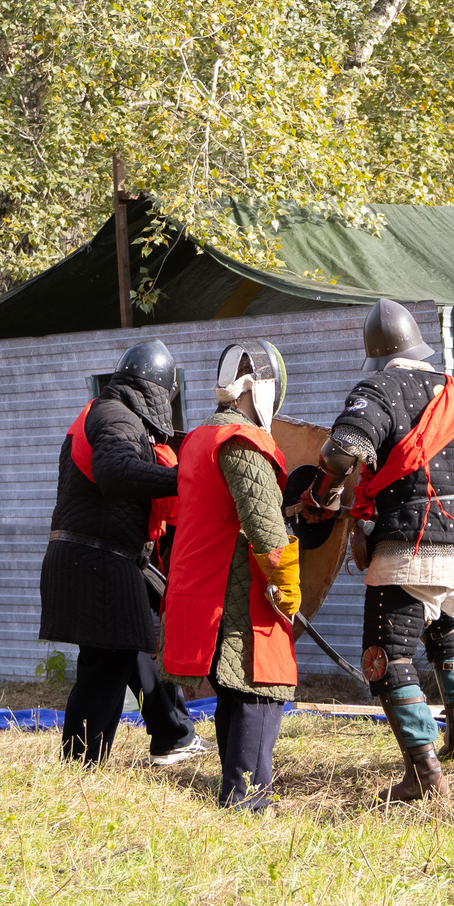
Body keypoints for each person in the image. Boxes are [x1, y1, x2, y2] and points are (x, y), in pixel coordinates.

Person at [304, 299, 454, 803]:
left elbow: (340, 451)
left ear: (376, 355)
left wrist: (321, 497)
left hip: (410, 549)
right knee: (449, 631)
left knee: (387, 656)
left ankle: (423, 771)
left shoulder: (380, 388)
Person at [39, 338, 210, 767]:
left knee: (138, 639)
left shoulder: (107, 412)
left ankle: (172, 734)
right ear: (156, 388)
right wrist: (186, 478)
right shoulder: (116, 416)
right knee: (104, 666)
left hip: (103, 558)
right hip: (97, 560)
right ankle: (80, 766)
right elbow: (115, 474)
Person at [162, 341, 298, 810]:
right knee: (259, 687)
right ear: (258, 389)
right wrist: (288, 584)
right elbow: (264, 526)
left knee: (233, 689)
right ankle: (248, 801)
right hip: (236, 589)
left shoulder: (200, 436)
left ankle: (235, 792)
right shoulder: (240, 441)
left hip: (203, 583)